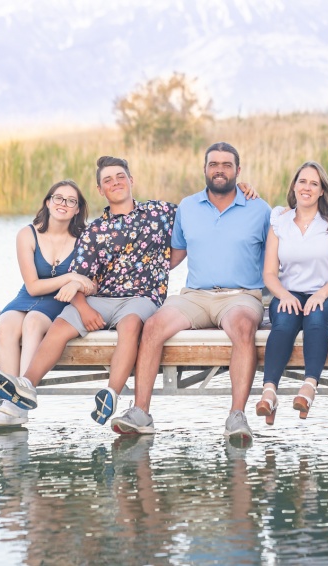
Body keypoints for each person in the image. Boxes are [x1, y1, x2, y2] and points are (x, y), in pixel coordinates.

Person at [0, 156, 177, 425]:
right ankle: (26, 386)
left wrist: (166, 263)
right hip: (100, 298)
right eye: (107, 180)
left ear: (131, 180)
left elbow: (200, 218)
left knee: (131, 325)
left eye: (120, 177)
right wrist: (84, 308)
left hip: (142, 297)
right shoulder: (95, 230)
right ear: (100, 190)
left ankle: (111, 394)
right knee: (61, 325)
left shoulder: (160, 212)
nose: (115, 183)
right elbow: (82, 277)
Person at [109, 142, 272, 441]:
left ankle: (237, 416)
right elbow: (174, 254)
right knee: (154, 324)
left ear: (238, 169)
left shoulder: (260, 209)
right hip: (195, 295)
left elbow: (276, 258)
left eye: (226, 164)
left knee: (243, 326)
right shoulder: (187, 206)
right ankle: (141, 412)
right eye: (213, 164)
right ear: (205, 169)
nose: (219, 170)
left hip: (241, 296)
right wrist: (125, 280)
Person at [0, 179, 95, 427]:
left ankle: (21, 397)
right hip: (30, 294)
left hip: (60, 300)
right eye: (58, 198)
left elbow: (90, 282)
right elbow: (33, 286)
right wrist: (69, 276)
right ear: (48, 202)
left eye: (71, 201)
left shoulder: (85, 238)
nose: (63, 204)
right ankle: (11, 403)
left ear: (77, 209)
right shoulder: (27, 233)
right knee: (6, 323)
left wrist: (76, 284)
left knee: (33, 323)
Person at [255, 161, 328, 424]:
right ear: (294, 186)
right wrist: (284, 295)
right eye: (302, 181)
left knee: (316, 317)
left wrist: (321, 294)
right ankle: (269, 392)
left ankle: (309, 385)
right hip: (290, 292)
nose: (307, 187)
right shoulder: (280, 221)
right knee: (284, 321)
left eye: (314, 183)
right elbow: (269, 274)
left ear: (322, 190)